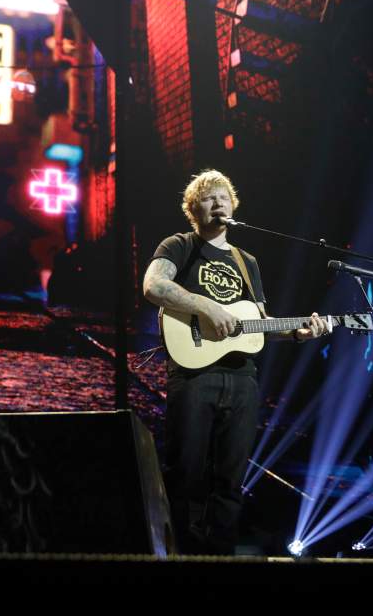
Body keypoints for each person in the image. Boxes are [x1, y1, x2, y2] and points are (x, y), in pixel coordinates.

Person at [142, 169, 327, 554]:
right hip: (194, 374)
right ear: (193, 209)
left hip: (242, 378)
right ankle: (180, 560)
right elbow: (154, 285)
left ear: (233, 206)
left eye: (223, 197)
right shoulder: (179, 245)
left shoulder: (246, 261)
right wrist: (206, 306)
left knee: (230, 482)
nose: (218, 203)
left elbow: (256, 324)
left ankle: (222, 563)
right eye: (208, 198)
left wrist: (297, 332)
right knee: (185, 475)